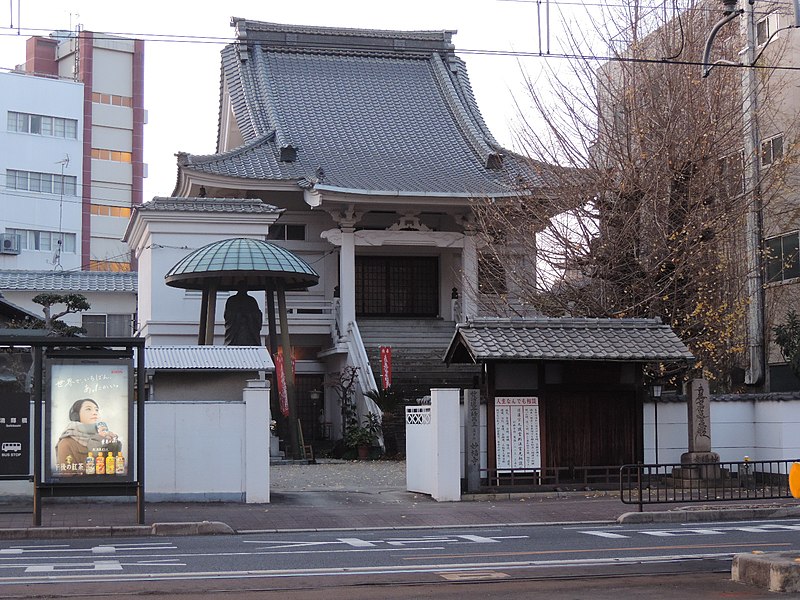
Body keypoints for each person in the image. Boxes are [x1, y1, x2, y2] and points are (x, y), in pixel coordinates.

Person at [55, 398, 118, 473]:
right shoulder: (66, 443)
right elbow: (67, 477)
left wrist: (114, 447)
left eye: (96, 410)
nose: (95, 413)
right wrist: (95, 456)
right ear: (76, 415)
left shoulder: (104, 437)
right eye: (88, 409)